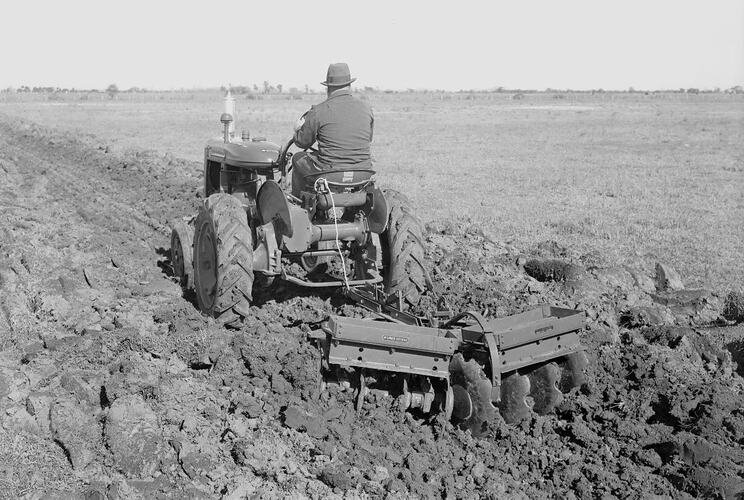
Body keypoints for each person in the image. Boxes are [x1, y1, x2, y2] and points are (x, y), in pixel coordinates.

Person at [291, 63, 374, 196]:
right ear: (349, 85)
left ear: (328, 87)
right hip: (363, 172)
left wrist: (297, 130)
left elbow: (302, 143)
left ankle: (300, 202)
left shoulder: (318, 111)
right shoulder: (366, 109)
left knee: (298, 157)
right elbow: (368, 139)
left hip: (331, 173)